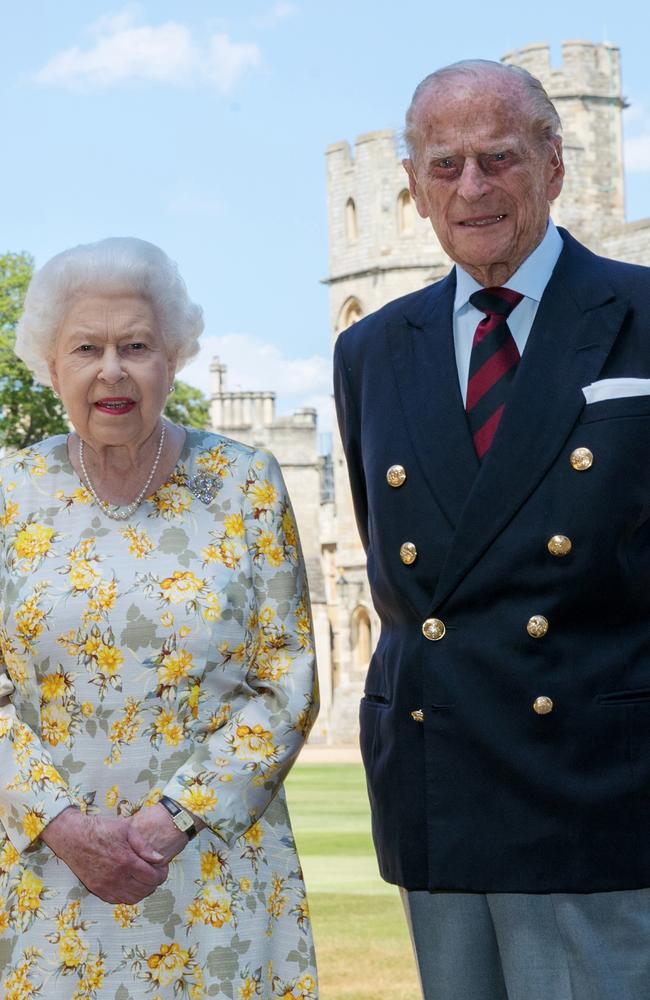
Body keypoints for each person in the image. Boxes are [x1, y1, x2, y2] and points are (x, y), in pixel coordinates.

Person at [334, 58, 650, 1000]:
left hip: (600, 788)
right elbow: (402, 570)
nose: (471, 187)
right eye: (444, 166)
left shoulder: (641, 314)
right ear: (414, 192)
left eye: (498, 158)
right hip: (440, 781)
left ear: (555, 164)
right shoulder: (371, 349)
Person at [0, 237, 319, 999]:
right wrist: (66, 828)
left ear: (172, 358)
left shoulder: (246, 484)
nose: (111, 370)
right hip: (47, 881)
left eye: (135, 345)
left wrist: (173, 819)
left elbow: (288, 679)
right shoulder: (8, 493)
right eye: (86, 348)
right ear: (51, 366)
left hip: (214, 877)